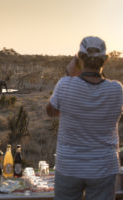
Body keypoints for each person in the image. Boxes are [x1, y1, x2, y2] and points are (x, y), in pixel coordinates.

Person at [46, 36, 123, 200]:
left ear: (79, 58)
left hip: (69, 167)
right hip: (104, 167)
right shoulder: (117, 90)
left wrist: (69, 73)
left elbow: (51, 111)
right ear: (106, 59)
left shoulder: (65, 84)